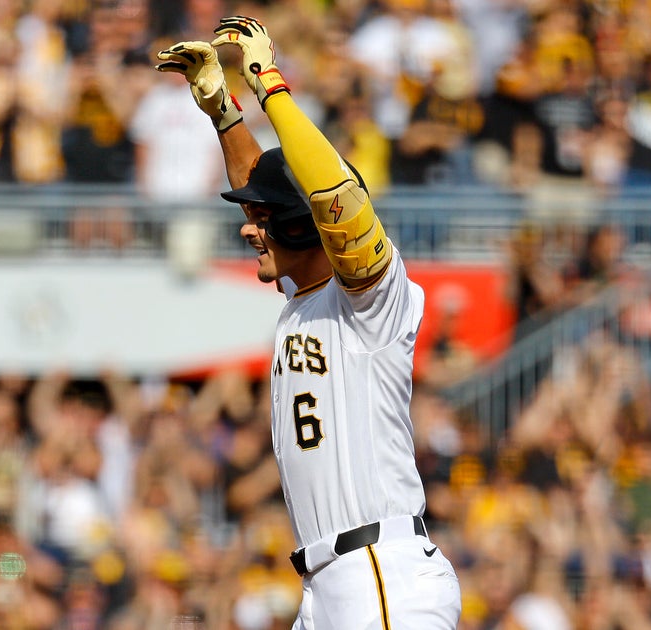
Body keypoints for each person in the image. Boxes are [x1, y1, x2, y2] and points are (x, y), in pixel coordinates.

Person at [155, 15, 461, 629]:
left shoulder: (373, 302)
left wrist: (270, 83)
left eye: (266, 220)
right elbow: (275, 193)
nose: (250, 227)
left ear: (305, 227)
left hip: (379, 574)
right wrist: (225, 114)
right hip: (330, 586)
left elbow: (331, 202)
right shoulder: (308, 294)